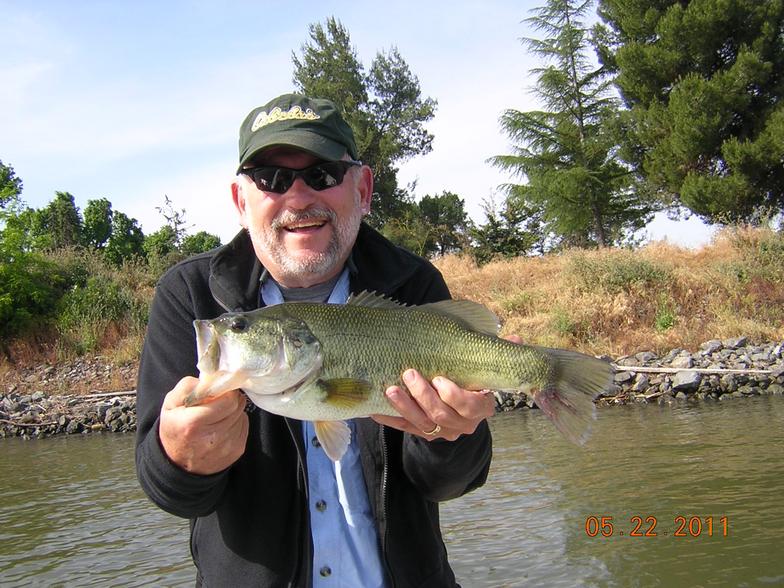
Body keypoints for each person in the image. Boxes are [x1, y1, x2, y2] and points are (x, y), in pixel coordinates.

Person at [135, 93, 495, 587]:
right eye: (273, 180)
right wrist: (180, 459)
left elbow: (449, 483)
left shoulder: (413, 287)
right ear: (241, 202)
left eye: (323, 174)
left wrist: (448, 435)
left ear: (363, 189)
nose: (299, 198)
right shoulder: (191, 296)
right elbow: (172, 495)